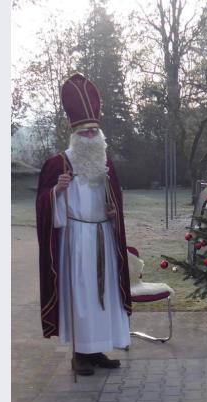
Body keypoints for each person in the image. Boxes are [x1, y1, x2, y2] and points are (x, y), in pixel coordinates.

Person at [36, 73, 132, 376]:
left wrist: (113, 211)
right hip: (75, 238)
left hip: (102, 234)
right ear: (75, 135)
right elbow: (42, 203)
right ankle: (80, 353)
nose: (91, 137)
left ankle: (98, 348)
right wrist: (57, 192)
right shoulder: (58, 164)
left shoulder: (106, 163)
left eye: (95, 132)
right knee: (82, 294)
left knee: (103, 294)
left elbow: (114, 199)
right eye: (85, 133)